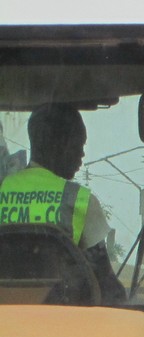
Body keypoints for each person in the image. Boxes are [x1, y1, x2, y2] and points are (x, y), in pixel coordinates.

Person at [0, 103, 126, 303]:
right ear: (59, 144)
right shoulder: (79, 200)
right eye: (79, 144)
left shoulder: (3, 189)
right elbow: (105, 285)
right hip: (64, 324)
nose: (82, 154)